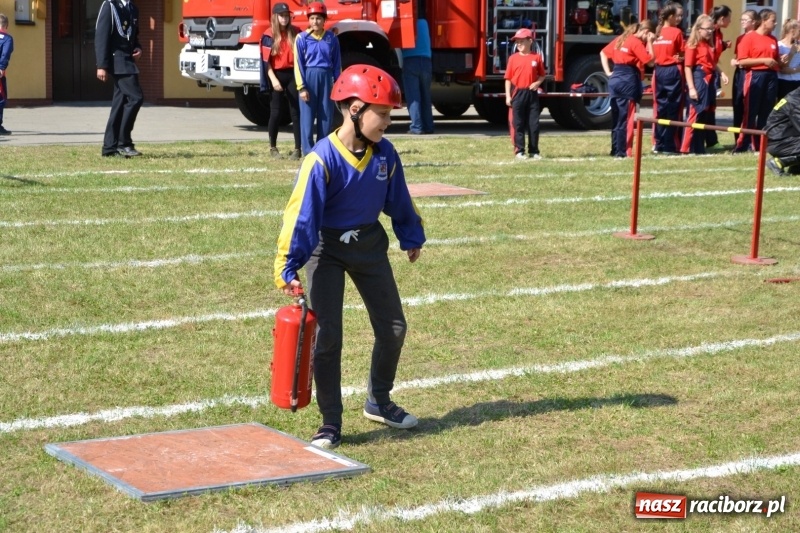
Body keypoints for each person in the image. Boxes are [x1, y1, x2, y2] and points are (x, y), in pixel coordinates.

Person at [273, 64, 425, 450]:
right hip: (326, 250)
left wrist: (410, 235)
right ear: (355, 110)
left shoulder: (385, 154)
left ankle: (379, 400)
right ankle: (330, 422)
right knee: (327, 337)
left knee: (394, 327)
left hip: (369, 244)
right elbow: (302, 216)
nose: (388, 122)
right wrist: (288, 265)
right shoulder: (321, 159)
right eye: (383, 114)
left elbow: (399, 199)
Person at [95, 0, 144, 157]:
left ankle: (109, 147)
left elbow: (134, 35)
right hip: (118, 61)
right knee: (136, 98)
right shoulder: (110, 6)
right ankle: (124, 142)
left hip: (128, 59)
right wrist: (101, 65)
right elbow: (101, 36)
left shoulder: (133, 8)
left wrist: (138, 48)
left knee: (119, 104)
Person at [600, 20, 655, 158]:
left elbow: (603, 53)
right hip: (627, 81)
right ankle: (623, 151)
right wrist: (650, 43)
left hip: (615, 80)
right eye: (648, 36)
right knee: (626, 119)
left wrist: (608, 72)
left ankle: (615, 149)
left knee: (617, 118)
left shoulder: (621, 39)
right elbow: (650, 61)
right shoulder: (636, 42)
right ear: (646, 32)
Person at [294, 2, 341, 156]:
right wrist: (302, 87)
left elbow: (337, 64)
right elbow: (298, 64)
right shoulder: (301, 38)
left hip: (326, 78)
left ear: (324, 20)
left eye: (319, 18)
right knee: (307, 118)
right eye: (312, 18)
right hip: (308, 78)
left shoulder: (332, 38)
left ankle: (322, 150)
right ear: (308, 19)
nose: (315, 21)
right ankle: (308, 152)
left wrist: (338, 85)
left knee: (326, 116)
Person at [733, 8, 781, 154]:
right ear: (764, 21)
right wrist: (764, 60)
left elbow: (775, 60)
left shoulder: (773, 39)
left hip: (771, 76)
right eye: (773, 21)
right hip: (755, 75)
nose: (775, 23)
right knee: (750, 111)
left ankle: (761, 144)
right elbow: (742, 61)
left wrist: (780, 61)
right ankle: (743, 144)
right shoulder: (749, 38)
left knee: (766, 111)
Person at [260, 2, 302, 160]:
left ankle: (298, 149)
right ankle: (273, 147)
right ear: (275, 17)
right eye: (281, 15)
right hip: (276, 74)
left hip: (293, 74)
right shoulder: (268, 35)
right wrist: (273, 80)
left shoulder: (296, 32)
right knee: (276, 112)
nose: (284, 18)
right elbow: (266, 62)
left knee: (295, 112)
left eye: (286, 15)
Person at [504, 27, 545, 160]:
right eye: (517, 42)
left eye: (521, 41)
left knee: (534, 124)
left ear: (530, 41)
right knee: (518, 123)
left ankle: (534, 150)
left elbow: (542, 75)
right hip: (518, 93)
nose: (519, 44)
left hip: (531, 94)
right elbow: (508, 79)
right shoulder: (513, 58)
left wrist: (537, 83)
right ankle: (519, 151)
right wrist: (508, 96)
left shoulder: (536, 57)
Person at [651, 3, 684, 154]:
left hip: (658, 71)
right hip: (672, 70)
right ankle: (670, 145)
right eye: (678, 16)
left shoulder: (657, 32)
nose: (680, 18)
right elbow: (682, 53)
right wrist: (680, 57)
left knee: (661, 108)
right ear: (670, 17)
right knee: (674, 108)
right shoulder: (676, 32)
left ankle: (658, 143)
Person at [681, 15, 717, 155]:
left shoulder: (707, 44)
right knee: (695, 113)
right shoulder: (692, 45)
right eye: (707, 29)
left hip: (709, 78)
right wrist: (691, 88)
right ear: (699, 29)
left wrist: (722, 73)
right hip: (699, 78)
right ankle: (686, 148)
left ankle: (698, 147)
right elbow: (688, 67)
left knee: (704, 114)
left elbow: (712, 63)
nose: (710, 32)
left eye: (711, 29)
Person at [730, 10, 759, 144]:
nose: (742, 22)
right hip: (740, 73)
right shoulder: (740, 38)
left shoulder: (757, 37)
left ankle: (751, 139)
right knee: (737, 105)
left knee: (749, 107)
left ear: (754, 22)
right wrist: (735, 61)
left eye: (745, 19)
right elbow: (739, 57)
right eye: (741, 19)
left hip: (751, 73)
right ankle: (738, 139)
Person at [401, 16, 434, 135]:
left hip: (410, 60)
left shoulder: (406, 22)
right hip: (426, 61)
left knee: (414, 96)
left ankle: (416, 127)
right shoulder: (424, 23)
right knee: (426, 96)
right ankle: (429, 126)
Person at [705, 5, 731, 149]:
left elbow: (714, 54)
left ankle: (711, 141)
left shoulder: (718, 33)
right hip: (705, 74)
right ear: (721, 18)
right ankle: (703, 141)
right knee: (705, 108)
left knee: (711, 107)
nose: (730, 21)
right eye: (728, 18)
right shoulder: (710, 32)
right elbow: (707, 56)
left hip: (713, 71)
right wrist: (721, 72)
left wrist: (724, 45)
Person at [765, 86, 800, 176]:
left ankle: (796, 167)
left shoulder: (795, 96)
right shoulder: (795, 103)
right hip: (779, 142)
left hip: (784, 138)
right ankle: (778, 162)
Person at [776, 19, 800, 100]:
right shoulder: (779, 45)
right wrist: (791, 53)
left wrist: (794, 70)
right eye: (799, 31)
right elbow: (782, 68)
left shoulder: (799, 45)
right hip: (783, 81)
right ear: (792, 31)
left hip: (797, 80)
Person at [0, 13, 14, 136]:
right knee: (1, 98)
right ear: (6, 25)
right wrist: (2, 67)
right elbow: (5, 53)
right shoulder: (7, 39)